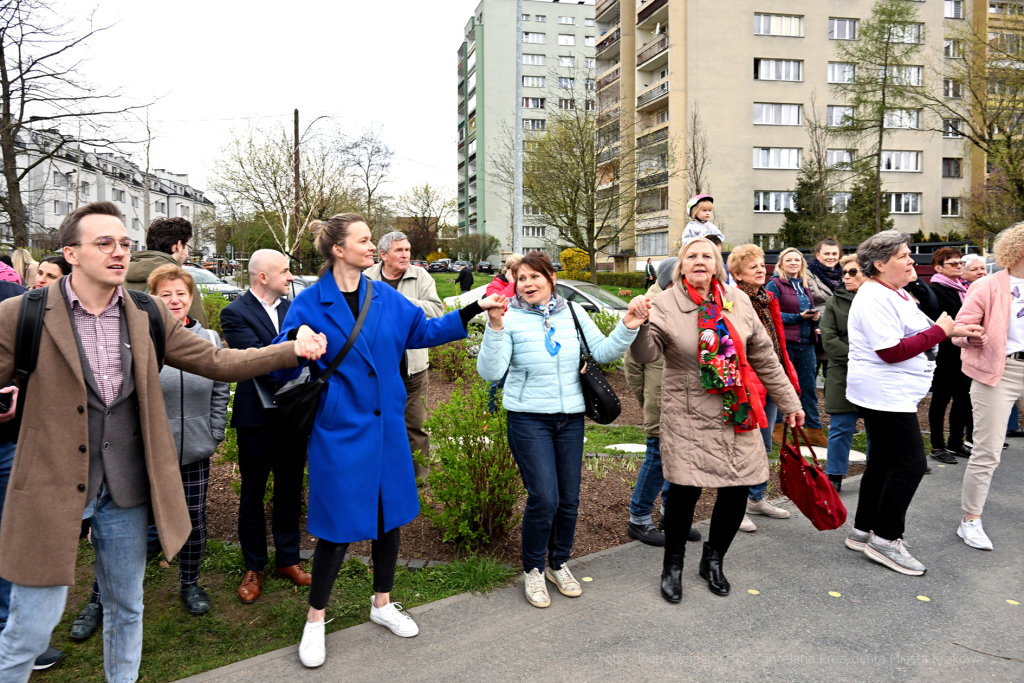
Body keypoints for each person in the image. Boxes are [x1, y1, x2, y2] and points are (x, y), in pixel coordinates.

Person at [0, 201, 327, 683]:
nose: (119, 253)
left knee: (128, 609)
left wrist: (289, 349)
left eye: (125, 244)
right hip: (49, 487)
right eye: (104, 243)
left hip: (126, 489)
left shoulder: (146, 313)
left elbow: (217, 362)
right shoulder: (20, 314)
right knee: (30, 625)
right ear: (71, 252)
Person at [271, 214, 502, 668]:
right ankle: (315, 620)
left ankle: (382, 604)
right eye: (363, 240)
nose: (372, 245)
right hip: (340, 430)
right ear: (338, 249)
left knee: (388, 519)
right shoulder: (311, 302)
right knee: (338, 528)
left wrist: (476, 308)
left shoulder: (386, 297)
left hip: (388, 429)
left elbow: (425, 332)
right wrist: (296, 338)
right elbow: (281, 363)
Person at [631, 237, 803, 604]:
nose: (699, 261)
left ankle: (713, 560)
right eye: (691, 255)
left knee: (737, 488)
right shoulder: (664, 304)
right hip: (688, 413)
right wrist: (638, 325)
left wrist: (789, 402)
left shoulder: (736, 301)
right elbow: (647, 354)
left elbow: (763, 356)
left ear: (718, 264)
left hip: (737, 410)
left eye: (706, 255)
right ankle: (672, 565)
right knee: (683, 492)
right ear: (681, 265)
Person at [478, 251, 643, 609]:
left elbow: (601, 351)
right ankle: (533, 569)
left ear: (551, 278)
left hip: (570, 418)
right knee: (545, 498)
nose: (529, 284)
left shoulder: (573, 312)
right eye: (522, 279)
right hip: (528, 419)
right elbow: (491, 372)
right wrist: (494, 326)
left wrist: (628, 324)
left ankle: (558, 563)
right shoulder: (508, 317)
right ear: (515, 284)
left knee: (569, 500)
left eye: (536, 277)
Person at [73, 264, 231, 630]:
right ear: (152, 299)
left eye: (181, 293)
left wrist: (213, 433)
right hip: (141, 454)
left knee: (193, 523)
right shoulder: (133, 337)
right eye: (166, 294)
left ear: (191, 298)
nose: (175, 300)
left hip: (193, 451)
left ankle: (190, 583)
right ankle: (101, 597)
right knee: (123, 529)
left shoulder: (207, 338)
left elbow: (221, 386)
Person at [844, 231, 982, 576]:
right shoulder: (874, 296)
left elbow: (921, 332)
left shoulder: (896, 292)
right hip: (885, 393)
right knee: (910, 464)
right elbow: (891, 351)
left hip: (893, 392)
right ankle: (887, 540)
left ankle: (863, 531)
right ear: (879, 264)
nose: (910, 260)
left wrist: (956, 332)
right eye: (903, 256)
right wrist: (941, 332)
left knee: (882, 460)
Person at [220, 249, 312, 604]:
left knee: (290, 490)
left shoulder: (295, 310)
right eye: (285, 271)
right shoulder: (234, 313)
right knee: (253, 493)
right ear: (263, 277)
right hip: (257, 417)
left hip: (293, 414)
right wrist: (298, 348)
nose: (290, 277)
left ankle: (288, 560)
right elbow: (255, 360)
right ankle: (254, 566)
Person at [0, 278, 65, 672]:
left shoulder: (13, 299)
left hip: (9, 444)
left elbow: (33, 367)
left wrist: (17, 388)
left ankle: (11, 628)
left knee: (12, 536)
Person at [952, 223, 1024, 551]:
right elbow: (957, 330)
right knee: (987, 452)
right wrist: (971, 333)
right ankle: (970, 520)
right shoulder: (988, 285)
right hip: (1000, 371)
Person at [623, 257, 701, 546]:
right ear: (672, 280)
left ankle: (672, 515)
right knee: (657, 457)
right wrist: (648, 400)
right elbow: (632, 366)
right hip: (660, 397)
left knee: (681, 458)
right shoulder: (649, 308)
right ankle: (639, 519)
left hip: (687, 398)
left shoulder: (687, 305)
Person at [727, 244, 800, 533]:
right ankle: (736, 505)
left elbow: (777, 340)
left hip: (771, 376)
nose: (761, 269)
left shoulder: (768, 298)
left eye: (761, 264)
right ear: (737, 274)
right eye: (752, 266)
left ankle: (755, 498)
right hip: (746, 381)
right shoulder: (733, 300)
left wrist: (785, 376)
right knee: (743, 446)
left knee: (765, 443)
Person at [366, 231, 444, 481]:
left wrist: (399, 300)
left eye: (408, 250)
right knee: (375, 426)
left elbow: (436, 311)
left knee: (415, 427)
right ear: (383, 254)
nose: (405, 255)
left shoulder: (420, 276)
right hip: (375, 371)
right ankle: (380, 480)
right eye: (399, 250)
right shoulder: (365, 278)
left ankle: (417, 482)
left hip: (413, 369)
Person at [766, 248, 826, 447]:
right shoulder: (774, 285)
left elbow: (806, 314)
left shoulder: (804, 285)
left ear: (802, 264)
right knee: (781, 387)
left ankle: (814, 430)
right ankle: (776, 428)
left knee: (808, 388)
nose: (793, 263)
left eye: (797, 260)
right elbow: (770, 315)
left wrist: (815, 318)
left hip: (806, 343)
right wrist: (798, 317)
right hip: (785, 345)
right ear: (781, 264)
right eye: (788, 260)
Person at [819, 254, 868, 492]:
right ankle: (834, 475)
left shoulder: (881, 300)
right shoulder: (834, 301)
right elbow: (829, 337)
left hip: (874, 375)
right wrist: (860, 359)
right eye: (844, 272)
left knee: (877, 425)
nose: (846, 277)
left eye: (853, 272)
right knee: (841, 426)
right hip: (844, 372)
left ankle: (878, 470)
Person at [927, 247, 973, 464]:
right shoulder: (935, 289)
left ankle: (956, 440)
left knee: (963, 398)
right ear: (938, 268)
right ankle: (937, 445)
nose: (959, 266)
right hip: (945, 351)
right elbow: (942, 318)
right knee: (941, 399)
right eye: (953, 263)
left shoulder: (964, 287)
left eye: (960, 263)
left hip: (965, 350)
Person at [125, 216, 209, 327]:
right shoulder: (179, 280)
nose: (187, 254)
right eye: (187, 247)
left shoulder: (120, 276)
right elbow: (198, 327)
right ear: (178, 246)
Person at [485, 253, 522, 412]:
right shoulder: (494, 286)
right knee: (497, 379)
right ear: (508, 271)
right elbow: (501, 306)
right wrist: (512, 284)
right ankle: (492, 412)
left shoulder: (523, 285)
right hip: (502, 336)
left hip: (519, 336)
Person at [805, 239, 843, 307]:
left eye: (834, 254)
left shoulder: (846, 273)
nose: (831, 257)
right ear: (818, 255)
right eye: (826, 254)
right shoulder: (808, 275)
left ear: (839, 255)